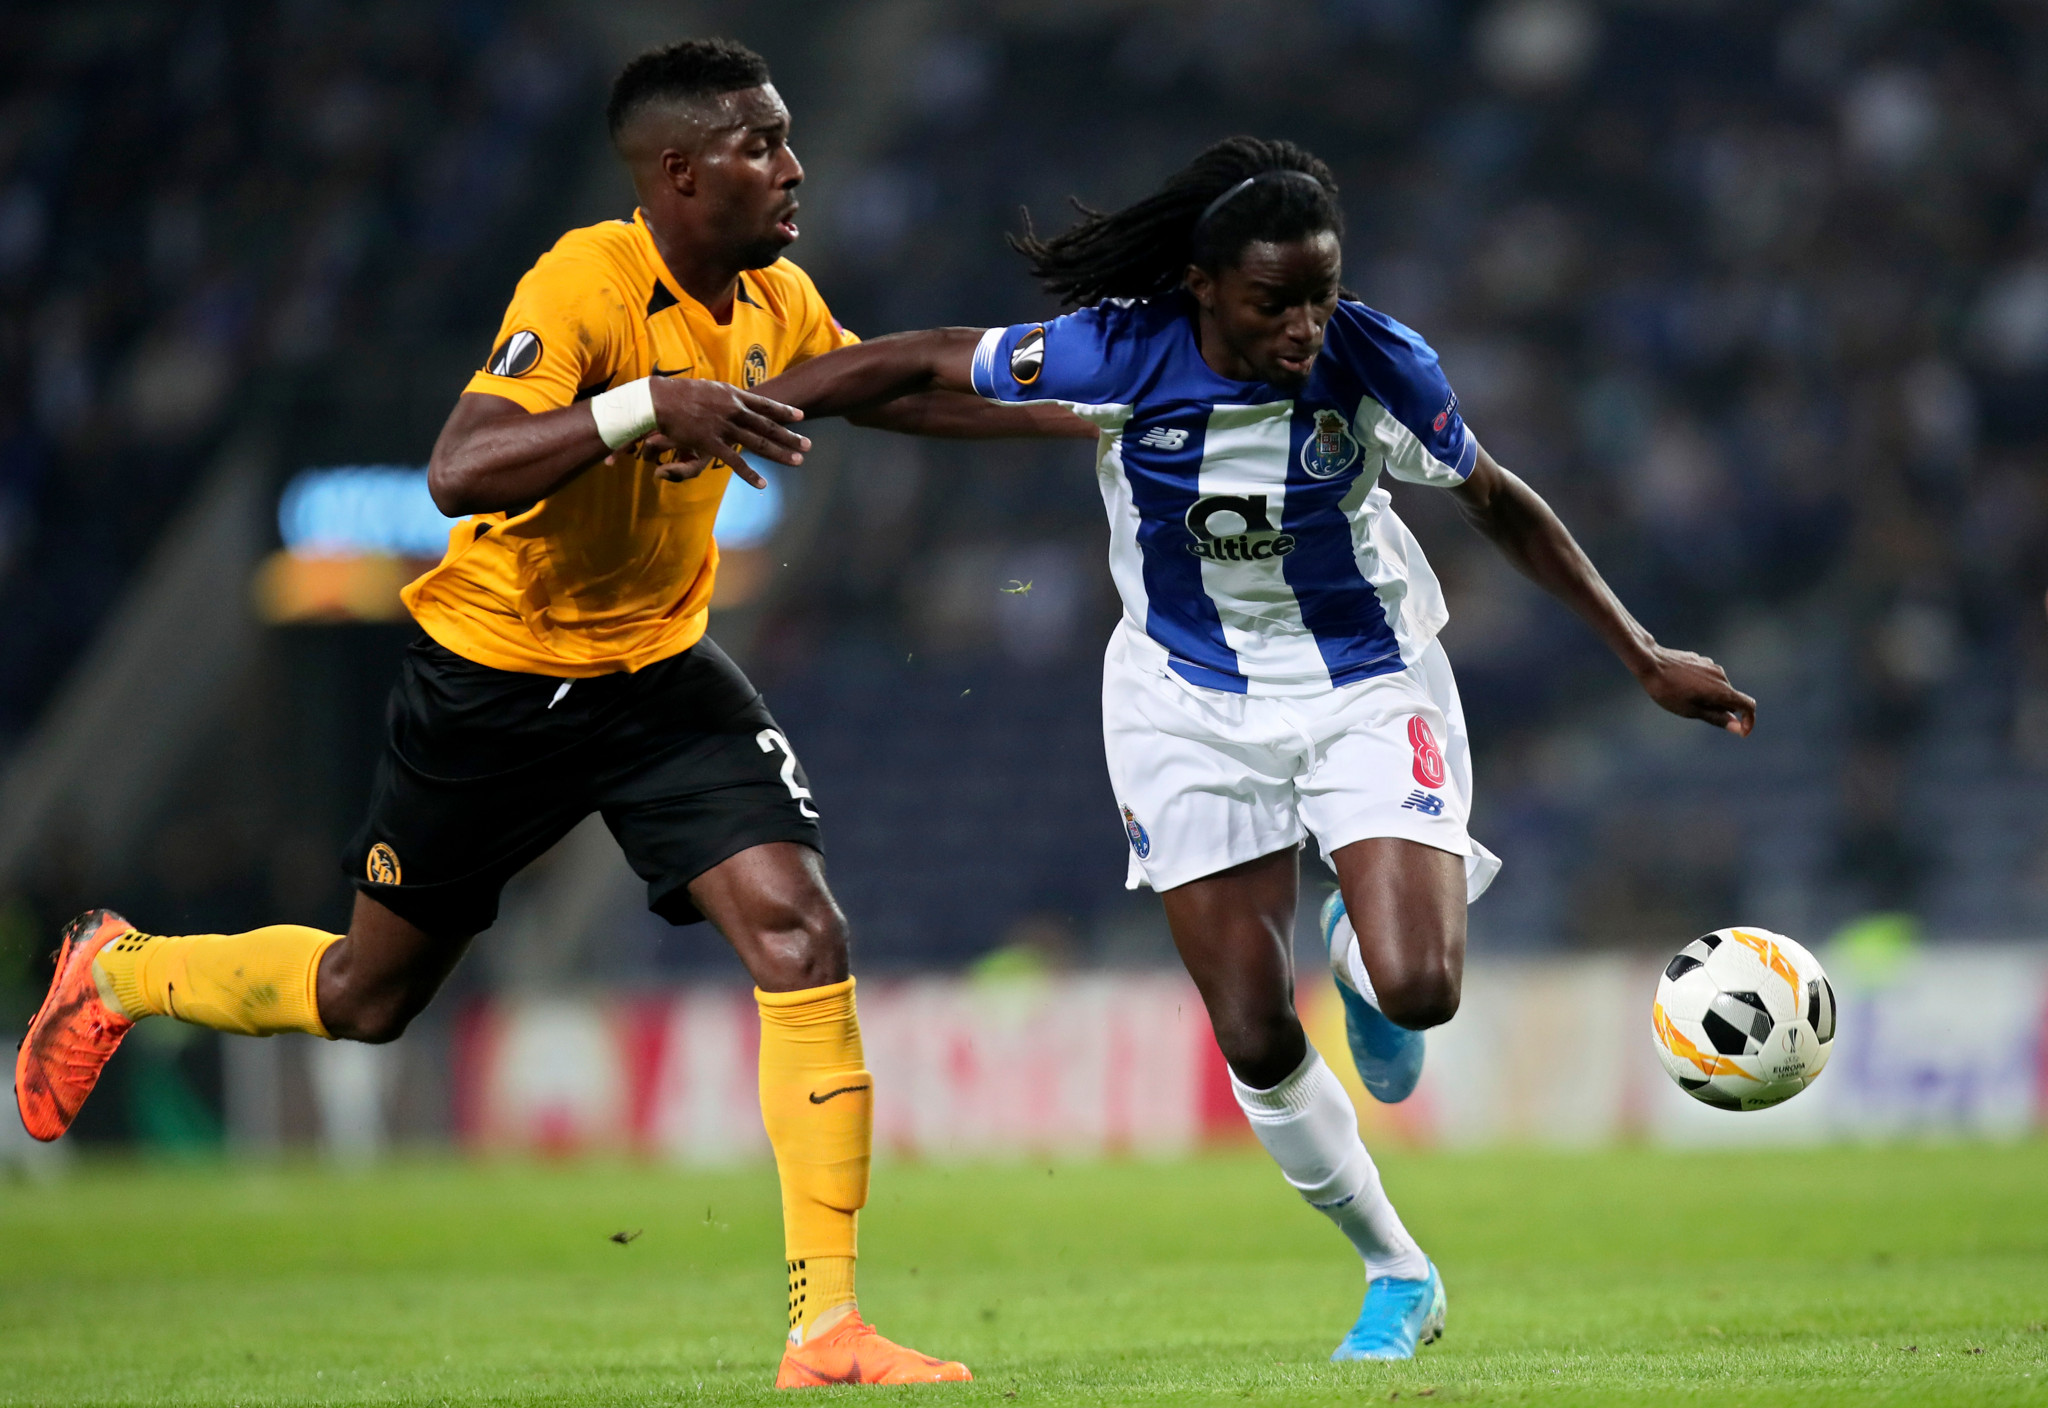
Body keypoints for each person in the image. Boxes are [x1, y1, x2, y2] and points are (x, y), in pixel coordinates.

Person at [13, 38, 1079, 1391]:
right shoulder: (585, 282)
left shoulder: (775, 296)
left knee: (801, 930)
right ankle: (119, 971)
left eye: (789, 138)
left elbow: (884, 388)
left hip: (659, 677)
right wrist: (641, 406)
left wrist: (1097, 423)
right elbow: (460, 470)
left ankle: (827, 1329)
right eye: (760, 144)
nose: (794, 166)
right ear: (679, 173)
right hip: (494, 686)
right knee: (368, 996)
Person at [743, 136, 1757, 1361]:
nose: (1302, 326)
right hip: (1181, 701)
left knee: (1418, 986)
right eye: (1274, 301)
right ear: (1204, 287)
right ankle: (1396, 1270)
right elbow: (915, 362)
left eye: (1319, 295)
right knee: (1252, 1030)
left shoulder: (1378, 362)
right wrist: (754, 407)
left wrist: (1641, 655)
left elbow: (1496, 499)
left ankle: (1359, 951)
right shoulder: (1116, 348)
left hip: (1361, 684)